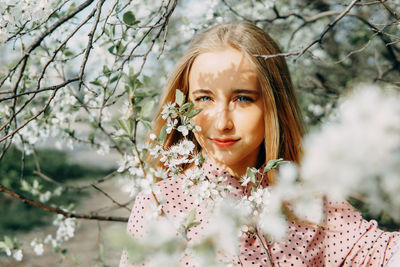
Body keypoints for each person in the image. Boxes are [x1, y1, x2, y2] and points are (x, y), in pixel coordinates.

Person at [119, 22, 399, 267]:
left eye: (242, 98)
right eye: (204, 99)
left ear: (272, 106)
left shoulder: (309, 198)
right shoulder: (161, 204)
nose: (221, 123)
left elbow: (381, 253)